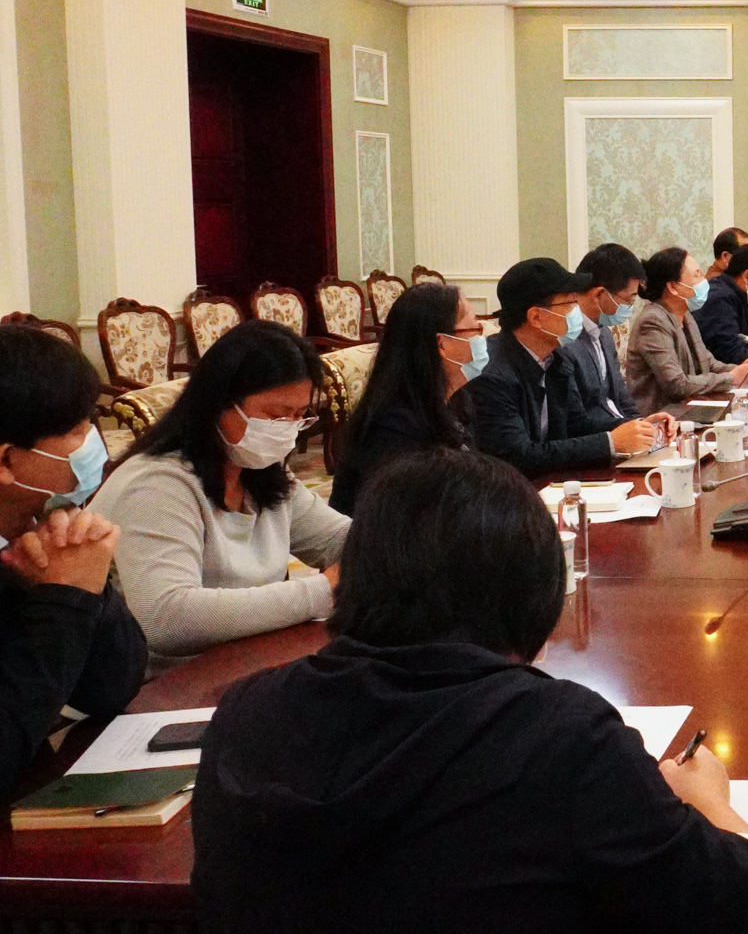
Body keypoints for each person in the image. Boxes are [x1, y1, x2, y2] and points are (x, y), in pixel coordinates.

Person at [192, 448, 748, 934]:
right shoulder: (561, 736)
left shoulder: (245, 713)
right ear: (531, 592)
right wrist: (710, 802)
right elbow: (747, 908)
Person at [95, 321, 347, 673]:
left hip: (242, 665)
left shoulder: (260, 472)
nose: (288, 429)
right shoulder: (156, 485)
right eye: (275, 416)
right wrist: (322, 591)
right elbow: (166, 619)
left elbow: (343, 540)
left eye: (299, 416)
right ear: (217, 404)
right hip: (162, 683)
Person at [0, 327, 145, 792]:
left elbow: (111, 691)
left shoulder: (38, 529)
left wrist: (88, 590)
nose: (93, 442)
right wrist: (64, 598)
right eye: (76, 430)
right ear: (6, 462)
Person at [463, 258, 667, 477]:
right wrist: (611, 442)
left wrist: (638, 427)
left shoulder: (556, 358)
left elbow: (576, 424)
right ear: (536, 317)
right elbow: (520, 455)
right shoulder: (491, 374)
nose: (576, 313)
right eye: (569, 305)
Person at [331, 283, 482, 516]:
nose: (482, 339)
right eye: (475, 329)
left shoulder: (455, 398)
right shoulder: (392, 427)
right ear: (441, 344)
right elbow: (410, 515)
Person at [625, 247, 748, 413]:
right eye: (697, 276)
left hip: (691, 409)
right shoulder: (653, 321)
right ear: (673, 287)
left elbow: (708, 363)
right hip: (663, 416)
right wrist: (731, 378)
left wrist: (739, 370)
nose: (704, 281)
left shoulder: (686, 315)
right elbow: (676, 385)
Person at [565, 243, 645, 423]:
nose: (629, 308)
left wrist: (644, 425)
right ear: (599, 294)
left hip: (619, 427)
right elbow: (577, 418)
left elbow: (622, 397)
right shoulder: (565, 339)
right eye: (629, 300)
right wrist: (626, 430)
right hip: (598, 434)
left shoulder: (604, 334)